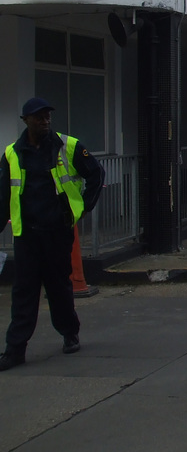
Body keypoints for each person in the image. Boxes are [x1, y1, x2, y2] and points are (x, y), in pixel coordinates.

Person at [0, 98, 104, 371]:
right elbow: (2, 196)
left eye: (47, 116)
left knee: (59, 287)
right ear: (26, 120)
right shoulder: (12, 153)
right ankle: (15, 350)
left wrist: (82, 208)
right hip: (27, 235)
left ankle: (70, 333)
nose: (45, 121)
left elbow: (96, 174)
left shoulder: (67, 146)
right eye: (39, 117)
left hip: (57, 231)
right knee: (24, 292)